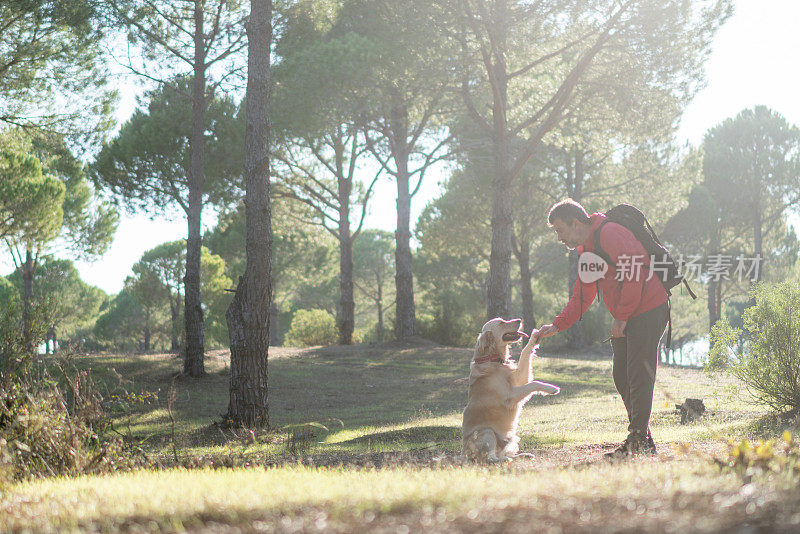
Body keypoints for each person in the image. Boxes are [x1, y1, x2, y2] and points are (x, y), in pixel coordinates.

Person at [533, 199, 669, 457]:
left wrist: (623, 316)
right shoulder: (586, 248)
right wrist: (557, 325)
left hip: (650, 307)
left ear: (575, 223)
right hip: (629, 314)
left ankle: (638, 439)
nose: (559, 238)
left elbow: (634, 273)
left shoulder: (610, 232)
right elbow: (583, 294)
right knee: (621, 375)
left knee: (638, 372)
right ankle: (643, 437)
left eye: (560, 230)